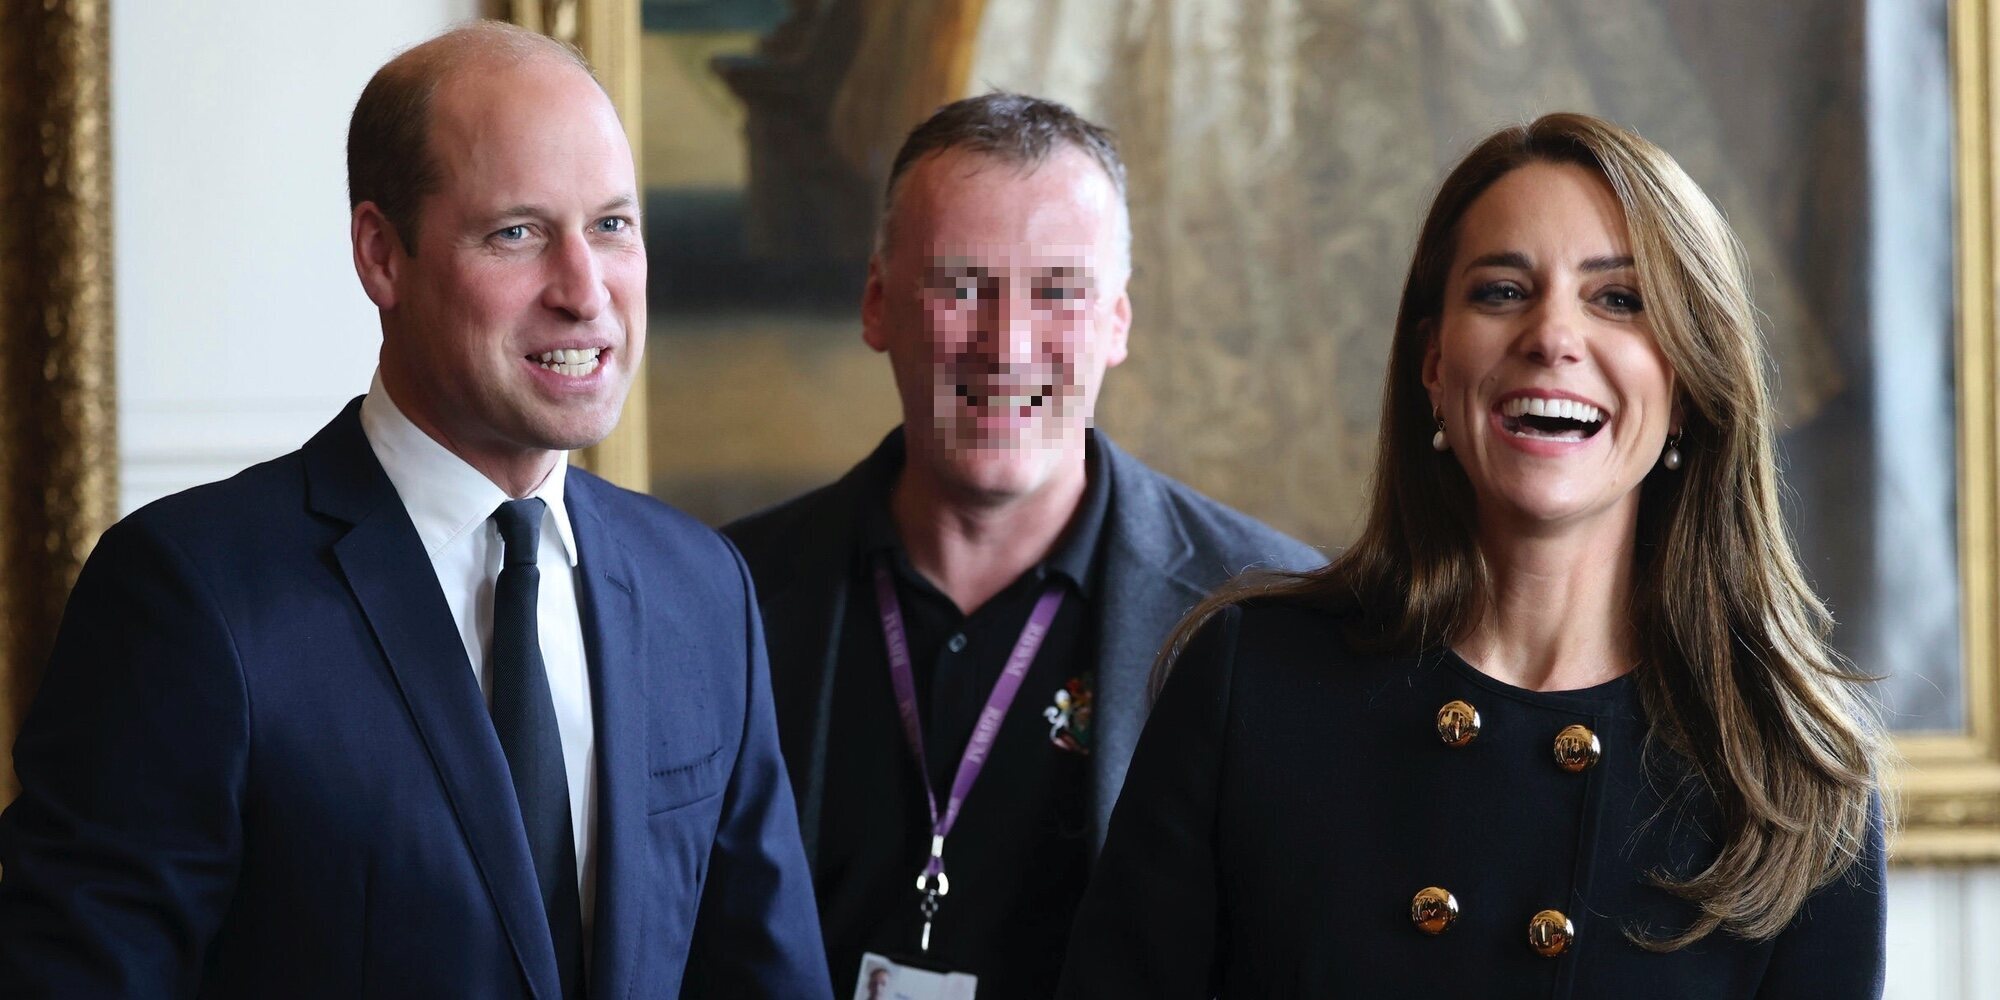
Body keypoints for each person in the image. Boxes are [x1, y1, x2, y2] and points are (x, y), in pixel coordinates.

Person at [0, 22, 829, 998]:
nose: (584, 290)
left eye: (611, 225)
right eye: (516, 232)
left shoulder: (700, 589)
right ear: (381, 255)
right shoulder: (190, 596)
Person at [1057, 112, 1890, 998]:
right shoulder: (1247, 683)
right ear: (1432, 362)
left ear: (1685, 385)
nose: (1551, 337)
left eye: (1618, 299)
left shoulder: (1796, 775)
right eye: (1500, 291)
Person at [724, 92, 1321, 998]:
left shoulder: (1271, 620)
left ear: (1117, 322)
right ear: (879, 305)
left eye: (1057, 292)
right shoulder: (722, 599)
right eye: (961, 285)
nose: (1006, 347)